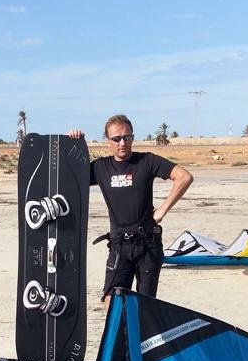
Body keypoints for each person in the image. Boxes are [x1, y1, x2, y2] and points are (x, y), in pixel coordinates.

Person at [69, 114, 192, 304]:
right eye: (116, 139)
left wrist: (162, 210)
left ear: (132, 137)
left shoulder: (147, 161)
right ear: (108, 141)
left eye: (127, 137)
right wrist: (76, 144)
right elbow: (72, 175)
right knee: (112, 300)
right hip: (119, 245)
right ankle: (122, 326)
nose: (122, 143)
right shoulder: (101, 167)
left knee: (145, 304)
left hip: (148, 244)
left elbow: (184, 177)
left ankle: (140, 325)